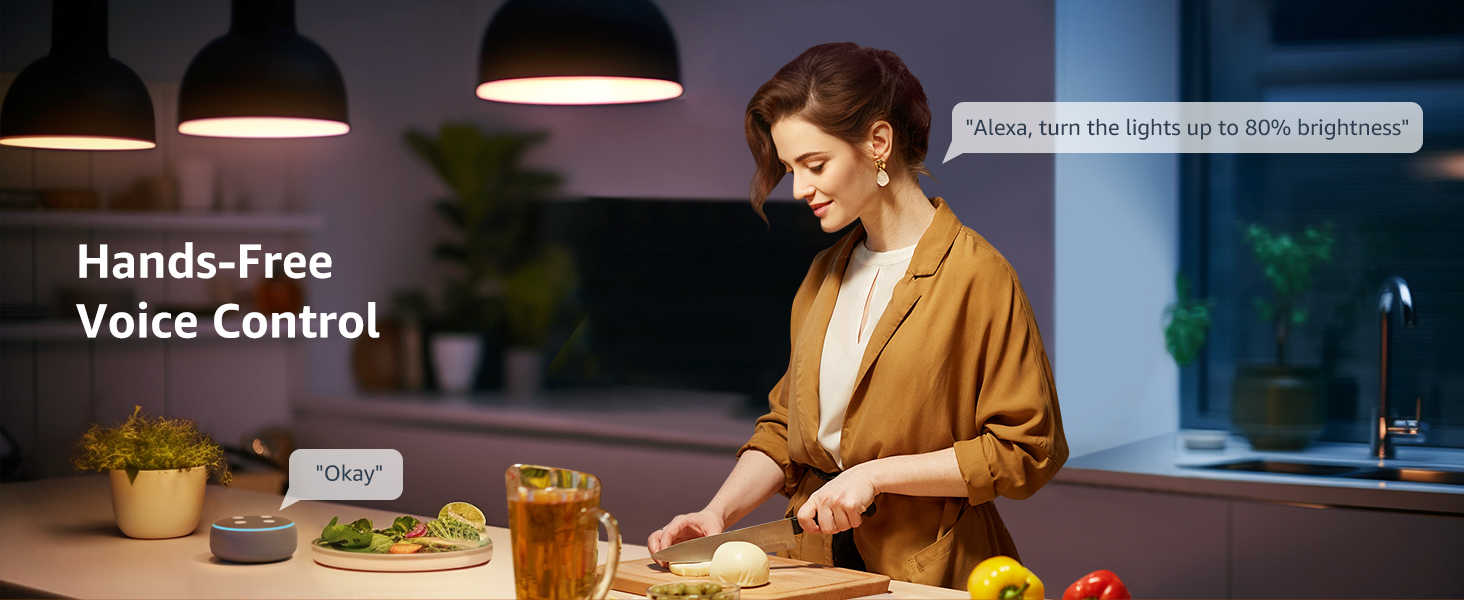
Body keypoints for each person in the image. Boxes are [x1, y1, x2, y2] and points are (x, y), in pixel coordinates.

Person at [647, 42, 1068, 590]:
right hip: (815, 568)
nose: (798, 189)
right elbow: (785, 431)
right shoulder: (823, 274)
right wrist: (717, 516)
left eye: (814, 164)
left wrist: (875, 476)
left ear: (878, 142)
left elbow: (1025, 452)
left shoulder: (978, 277)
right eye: (790, 167)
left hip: (932, 573)